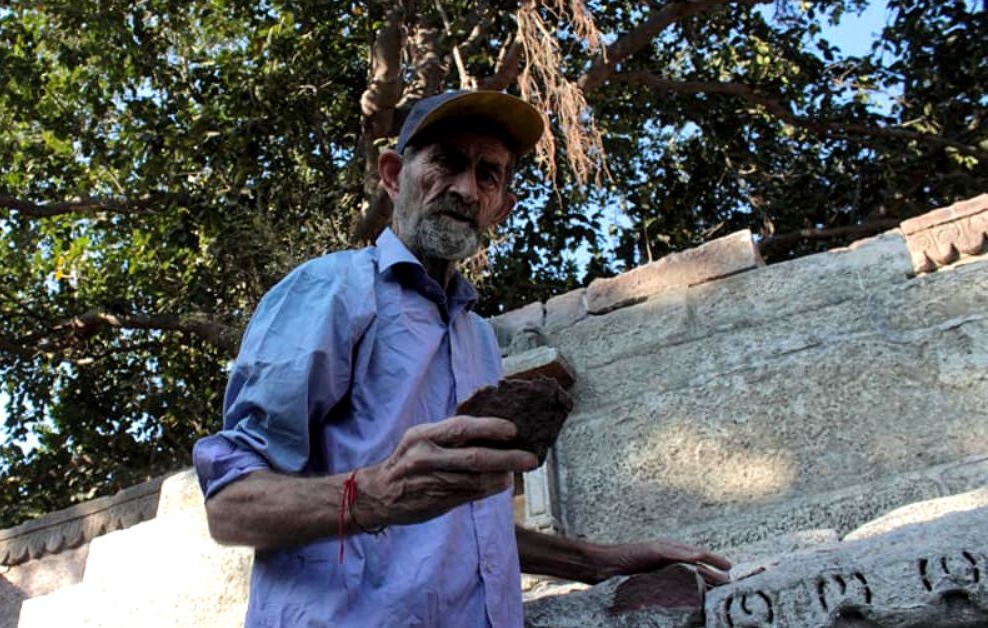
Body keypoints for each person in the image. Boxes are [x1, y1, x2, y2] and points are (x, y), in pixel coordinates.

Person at [192, 90, 730, 627]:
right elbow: (231, 504)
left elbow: (466, 525)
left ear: (501, 206)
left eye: (488, 174)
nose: (466, 189)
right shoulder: (329, 290)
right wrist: (374, 493)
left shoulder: (478, 337)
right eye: (447, 162)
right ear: (392, 175)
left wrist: (598, 561)